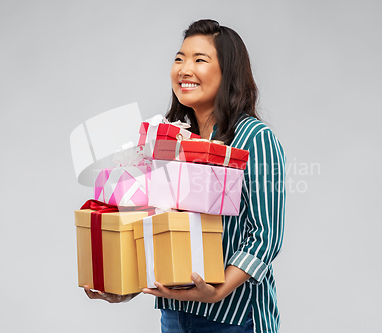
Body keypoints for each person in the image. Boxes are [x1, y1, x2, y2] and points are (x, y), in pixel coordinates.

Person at [85, 19, 286, 333]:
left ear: (228, 72)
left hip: (234, 318)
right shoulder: (167, 141)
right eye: (179, 58)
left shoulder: (254, 138)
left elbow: (266, 236)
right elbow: (156, 227)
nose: (184, 69)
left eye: (199, 60)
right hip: (176, 317)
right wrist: (126, 287)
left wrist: (217, 291)